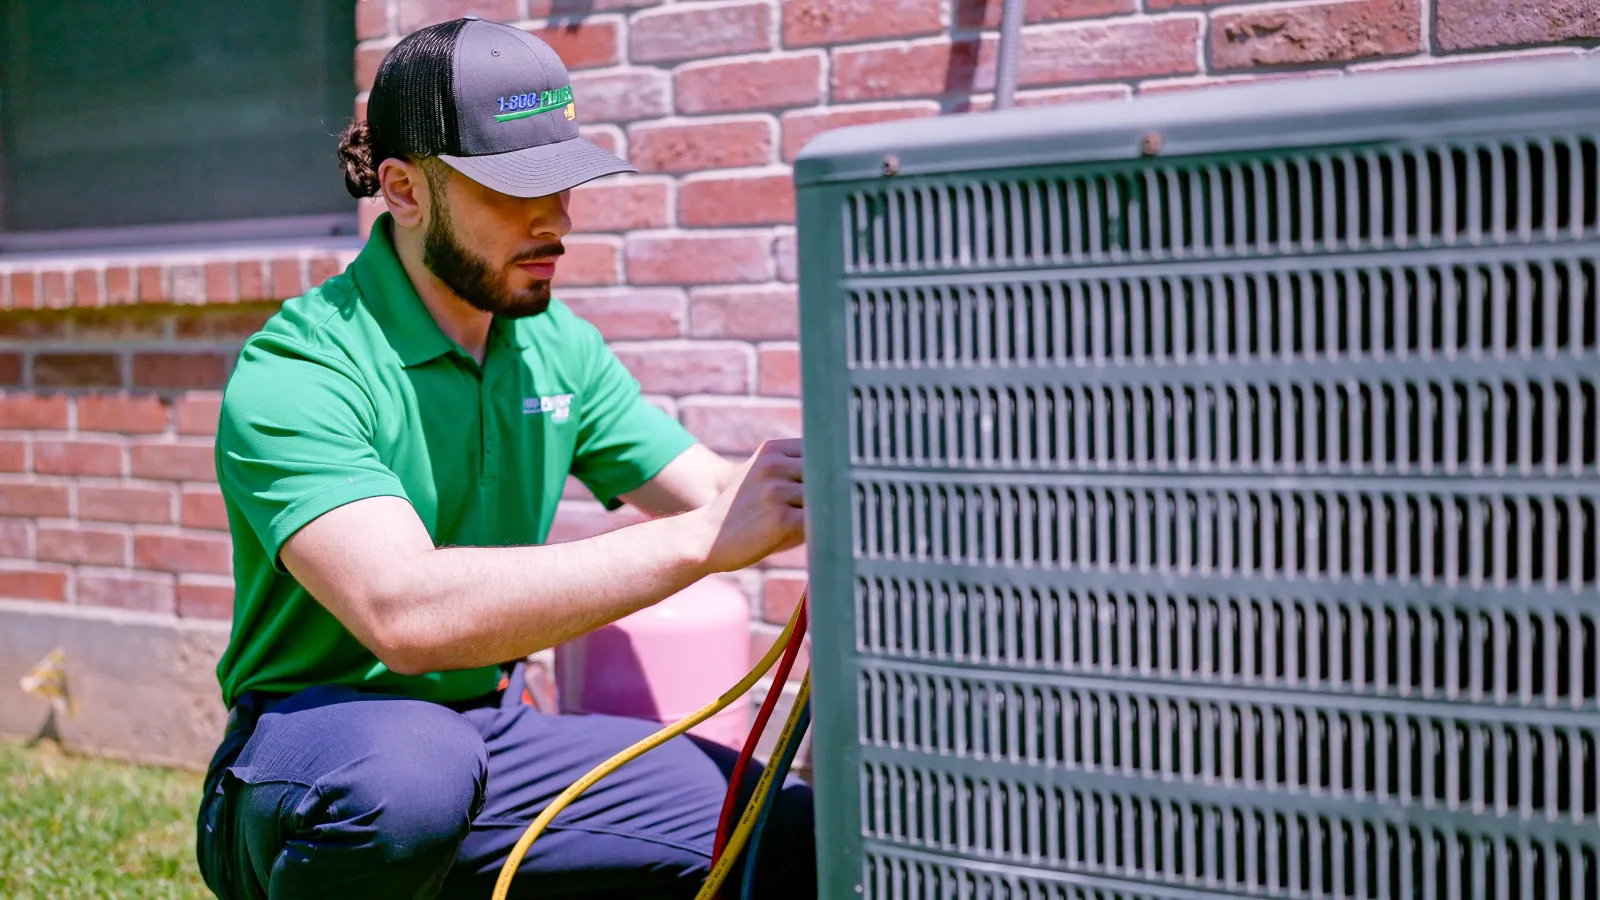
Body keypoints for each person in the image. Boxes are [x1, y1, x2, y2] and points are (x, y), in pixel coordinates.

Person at [192, 17, 813, 900]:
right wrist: (706, 538)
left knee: (779, 830)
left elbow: (713, 487)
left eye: (564, 182)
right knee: (409, 784)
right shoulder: (301, 366)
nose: (556, 220)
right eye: (514, 189)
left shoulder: (555, 346)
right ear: (404, 192)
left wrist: (846, 473)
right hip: (312, 748)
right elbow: (403, 615)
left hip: (492, 738)